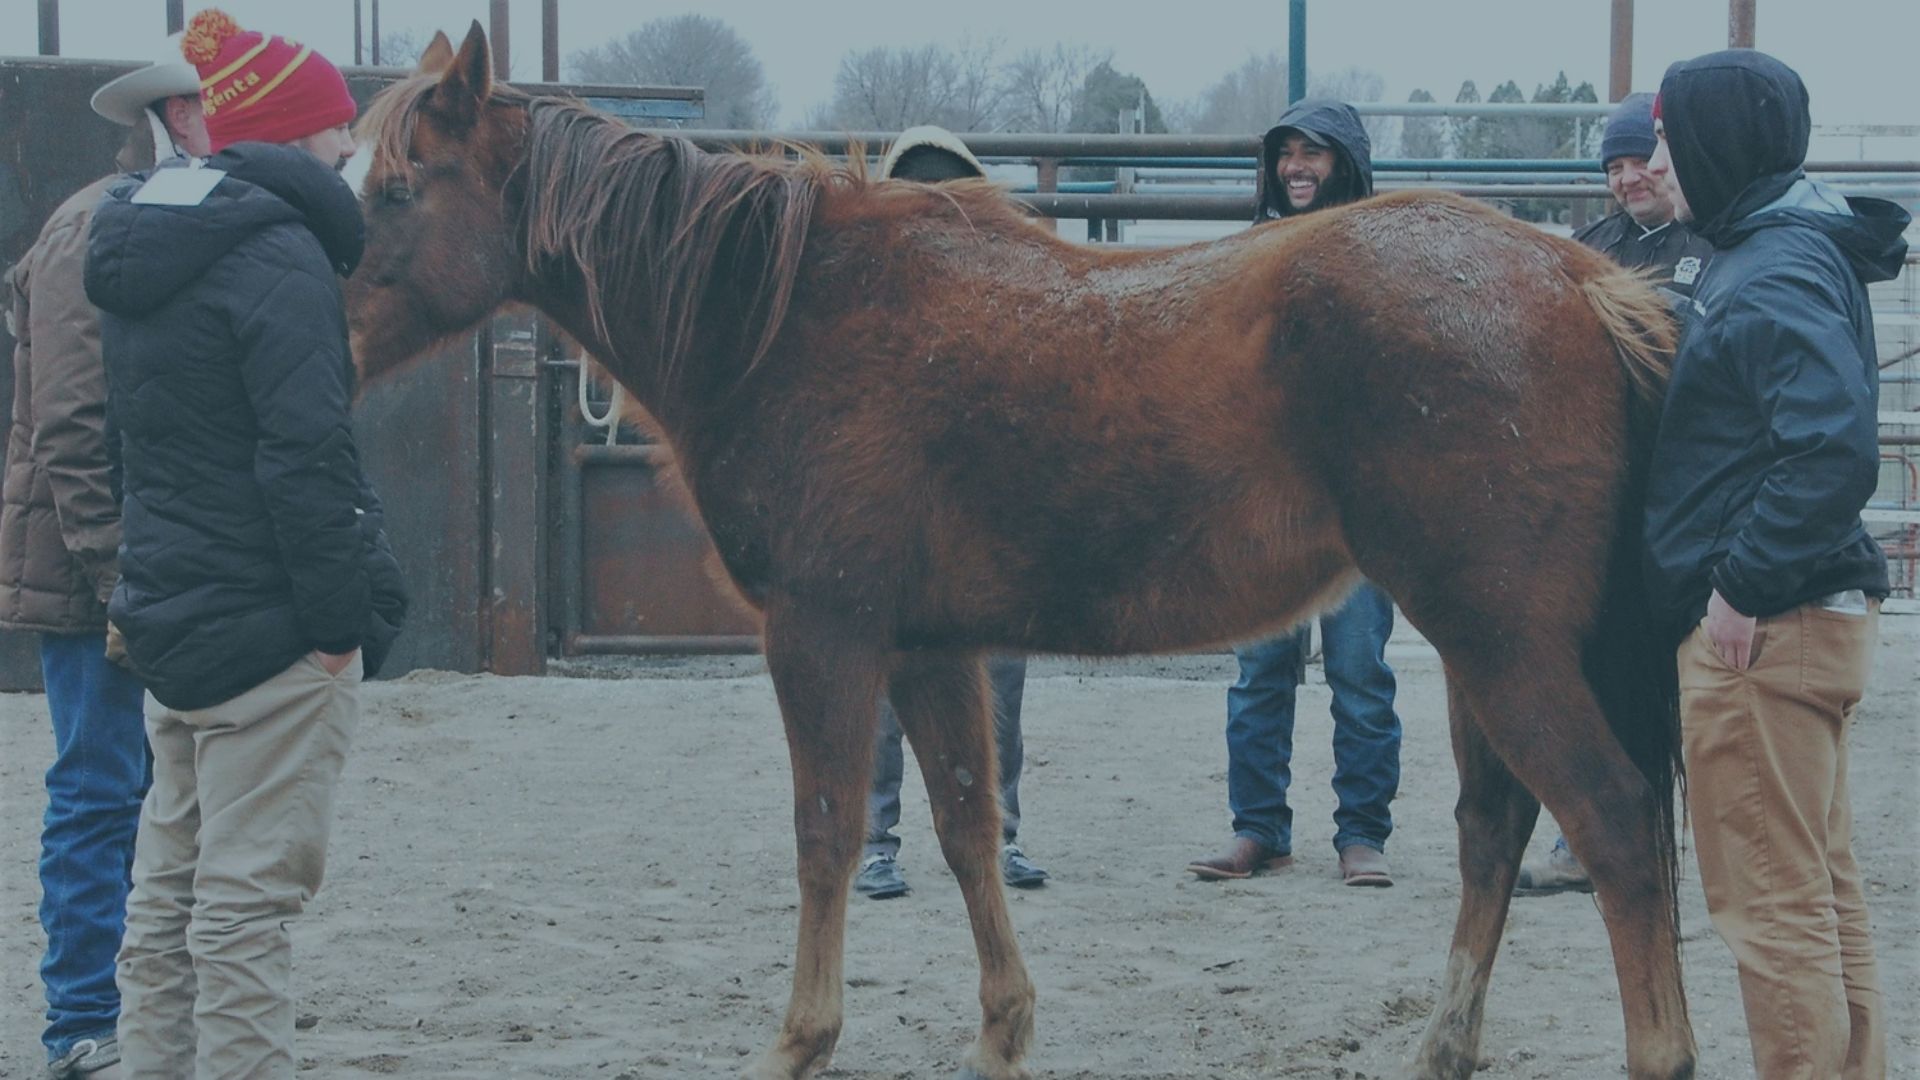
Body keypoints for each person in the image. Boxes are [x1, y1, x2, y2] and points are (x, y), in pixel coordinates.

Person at [83, 10, 407, 1077]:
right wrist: (334, 627)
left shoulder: (135, 245)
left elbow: (131, 443)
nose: (348, 149)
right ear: (283, 137)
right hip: (267, 633)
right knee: (243, 917)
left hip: (176, 620)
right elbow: (305, 455)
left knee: (168, 903)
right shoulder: (277, 253)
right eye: (334, 130)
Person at [1644, 49, 1906, 1079]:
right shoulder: (1783, 246)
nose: (1658, 158)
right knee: (1822, 896)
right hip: (1811, 620)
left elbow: (1833, 448)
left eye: (1671, 137)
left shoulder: (1776, 267)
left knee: (1772, 910)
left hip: (1767, 631)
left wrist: (1741, 589)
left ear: (1718, 142)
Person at [1, 46, 209, 1080]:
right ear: (180, 116)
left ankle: (118, 1008)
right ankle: (80, 1020)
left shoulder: (137, 214)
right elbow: (73, 428)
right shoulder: (100, 224)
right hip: (102, 566)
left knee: (135, 781)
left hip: (126, 554)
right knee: (100, 780)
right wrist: (120, 574)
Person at [1185, 99, 1403, 889]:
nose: (1297, 168)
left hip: (1355, 507)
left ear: (1344, 161)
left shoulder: (1382, 259)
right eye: (1288, 155)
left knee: (1361, 674)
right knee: (1259, 674)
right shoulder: (1251, 252)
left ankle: (1362, 834)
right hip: (1264, 506)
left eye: (1313, 154)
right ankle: (1258, 829)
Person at [1514, 92, 1714, 898]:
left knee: (1683, 665)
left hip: (1681, 481)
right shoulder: (1590, 245)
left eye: (1640, 163)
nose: (1630, 179)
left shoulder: (1707, 243)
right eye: (1616, 167)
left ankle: (1673, 830)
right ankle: (1583, 839)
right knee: (1591, 657)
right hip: (1602, 485)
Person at [854, 126, 1048, 900]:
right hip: (898, 534)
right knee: (884, 689)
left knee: (998, 684)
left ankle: (999, 829)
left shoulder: (1011, 297)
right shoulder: (865, 300)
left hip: (982, 536)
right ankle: (877, 840)